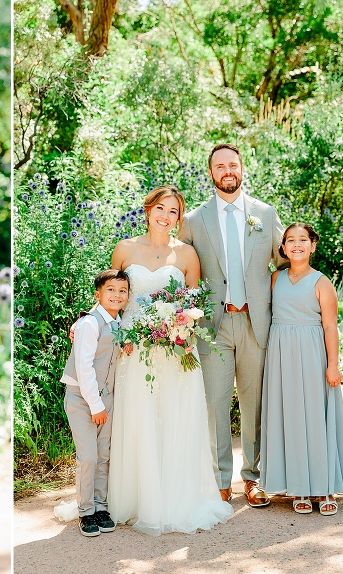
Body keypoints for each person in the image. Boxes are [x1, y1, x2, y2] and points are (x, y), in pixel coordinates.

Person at [107, 185, 233, 536]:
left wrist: (183, 329)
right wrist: (89, 323)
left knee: (175, 416)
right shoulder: (125, 249)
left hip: (175, 349)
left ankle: (175, 498)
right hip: (133, 349)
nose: (166, 216)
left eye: (173, 211)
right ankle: (136, 499)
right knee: (138, 417)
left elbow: (194, 304)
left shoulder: (187, 254)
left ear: (179, 218)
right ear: (148, 210)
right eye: (161, 208)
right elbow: (109, 296)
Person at [177, 144, 286, 506]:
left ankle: (252, 478)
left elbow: (285, 262)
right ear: (211, 173)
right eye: (220, 166)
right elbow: (178, 271)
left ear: (241, 169)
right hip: (214, 325)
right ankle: (220, 480)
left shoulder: (265, 214)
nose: (227, 171)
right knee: (216, 404)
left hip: (256, 322)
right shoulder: (194, 220)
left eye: (233, 165)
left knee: (254, 405)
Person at [260, 223, 343, 515]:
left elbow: (330, 327)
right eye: (291, 240)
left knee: (315, 418)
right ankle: (298, 487)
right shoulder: (275, 278)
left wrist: (333, 365)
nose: (297, 244)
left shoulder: (321, 282)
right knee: (289, 417)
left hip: (312, 354)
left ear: (313, 245)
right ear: (283, 247)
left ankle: (325, 488)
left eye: (303, 239)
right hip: (280, 355)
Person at [61, 269, 129, 537]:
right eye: (110, 290)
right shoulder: (89, 323)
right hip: (82, 397)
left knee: (103, 455)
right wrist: (96, 405)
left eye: (122, 291)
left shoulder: (118, 323)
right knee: (88, 456)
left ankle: (101, 506)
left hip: (107, 396)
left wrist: (126, 346)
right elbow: (84, 367)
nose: (117, 295)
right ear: (97, 295)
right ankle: (86, 511)